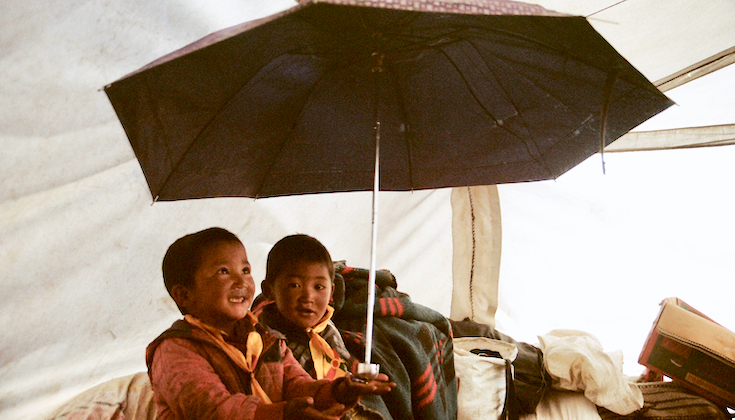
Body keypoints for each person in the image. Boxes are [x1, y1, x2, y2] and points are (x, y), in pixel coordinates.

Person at [146, 227, 394, 420]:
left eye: (245, 270)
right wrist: (283, 414)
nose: (241, 281)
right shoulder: (175, 350)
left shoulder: (265, 339)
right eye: (224, 271)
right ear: (184, 295)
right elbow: (214, 410)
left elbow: (297, 386)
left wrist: (340, 391)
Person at [255, 234, 394, 419]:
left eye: (319, 287)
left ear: (331, 293)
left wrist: (353, 385)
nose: (308, 296)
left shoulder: (326, 328)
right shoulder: (265, 338)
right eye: (295, 285)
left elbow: (342, 366)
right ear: (268, 290)